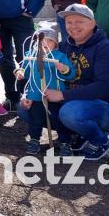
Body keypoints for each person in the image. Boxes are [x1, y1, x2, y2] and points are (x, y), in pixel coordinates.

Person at [46, 4, 109, 160]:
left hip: (104, 107)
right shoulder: (63, 47)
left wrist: (62, 95)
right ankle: (76, 136)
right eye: (69, 22)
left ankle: (101, 141)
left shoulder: (106, 48)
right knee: (29, 108)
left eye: (79, 21)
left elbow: (104, 87)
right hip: (71, 101)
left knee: (70, 112)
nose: (73, 26)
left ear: (92, 23)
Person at [15, 26, 74, 155]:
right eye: (40, 41)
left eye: (49, 41)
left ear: (55, 43)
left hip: (54, 94)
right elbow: (23, 68)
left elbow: (70, 74)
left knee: (58, 120)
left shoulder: (60, 56)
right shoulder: (31, 55)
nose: (44, 44)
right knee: (36, 119)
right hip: (36, 95)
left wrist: (63, 68)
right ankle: (35, 140)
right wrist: (19, 72)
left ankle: (65, 143)